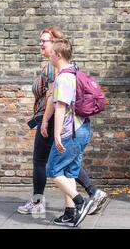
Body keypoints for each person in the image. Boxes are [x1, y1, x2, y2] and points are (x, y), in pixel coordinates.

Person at [18, 27, 108, 217]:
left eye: (45, 41)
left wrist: (46, 122)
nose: (41, 44)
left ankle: (43, 203)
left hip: (52, 120)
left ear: (55, 45)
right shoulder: (61, 65)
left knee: (44, 163)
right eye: (40, 41)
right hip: (58, 121)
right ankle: (75, 206)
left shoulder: (54, 67)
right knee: (67, 165)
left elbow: (54, 98)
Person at [46, 37, 95, 227]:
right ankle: (70, 214)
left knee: (53, 169)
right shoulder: (75, 72)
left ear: (58, 55)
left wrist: (57, 134)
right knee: (69, 172)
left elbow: (61, 107)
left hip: (71, 132)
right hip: (82, 128)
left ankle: (80, 202)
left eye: (51, 54)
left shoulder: (64, 78)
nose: (49, 56)